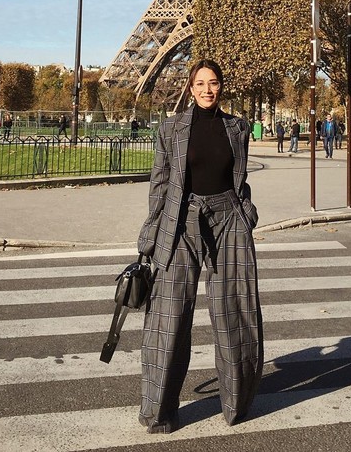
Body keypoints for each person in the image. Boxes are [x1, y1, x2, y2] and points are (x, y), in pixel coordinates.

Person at [137, 58, 263, 434]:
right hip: (182, 220)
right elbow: (159, 185)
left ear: (221, 86)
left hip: (228, 219)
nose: (208, 90)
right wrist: (150, 235)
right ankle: (159, 412)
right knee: (169, 316)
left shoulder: (237, 128)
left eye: (214, 83)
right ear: (190, 88)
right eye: (200, 84)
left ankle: (236, 404)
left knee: (235, 312)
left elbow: (239, 180)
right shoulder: (170, 128)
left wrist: (247, 213)